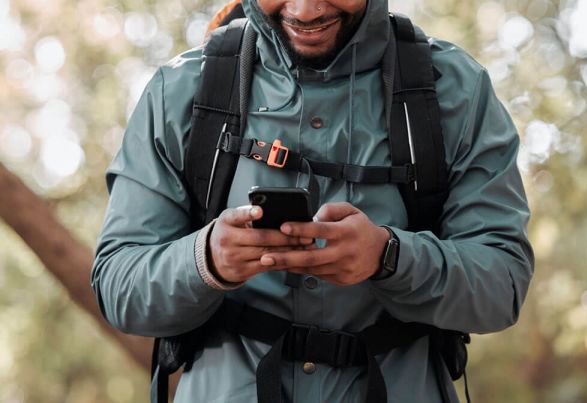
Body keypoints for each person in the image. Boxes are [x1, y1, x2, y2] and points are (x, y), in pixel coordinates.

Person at [91, 0, 534, 402]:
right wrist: (206, 260)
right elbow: (118, 287)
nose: (304, 9)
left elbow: (503, 284)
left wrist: (391, 257)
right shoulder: (181, 91)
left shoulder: (454, 90)